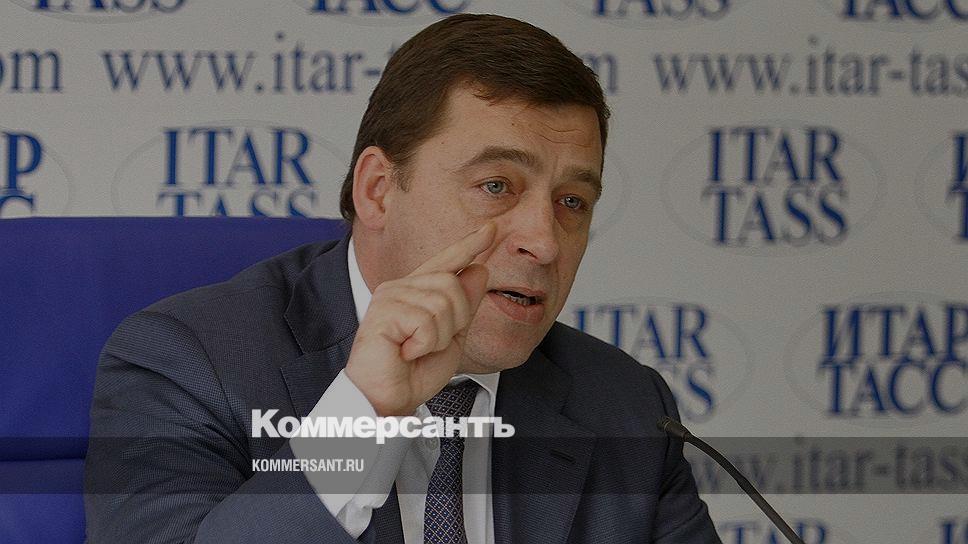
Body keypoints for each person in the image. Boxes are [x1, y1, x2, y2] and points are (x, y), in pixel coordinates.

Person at [84, 13, 721, 544]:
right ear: (379, 191)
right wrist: (363, 414)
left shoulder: (627, 406)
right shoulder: (188, 363)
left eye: (572, 201)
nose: (546, 241)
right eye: (496, 186)